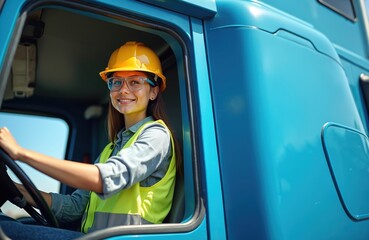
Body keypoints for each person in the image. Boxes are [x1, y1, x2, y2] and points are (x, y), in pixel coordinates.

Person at [0, 41, 180, 239]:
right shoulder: (110, 150)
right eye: (116, 81)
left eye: (135, 82)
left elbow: (104, 179)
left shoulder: (157, 135)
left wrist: (21, 153)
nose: (123, 90)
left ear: (153, 91)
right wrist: (13, 188)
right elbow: (76, 207)